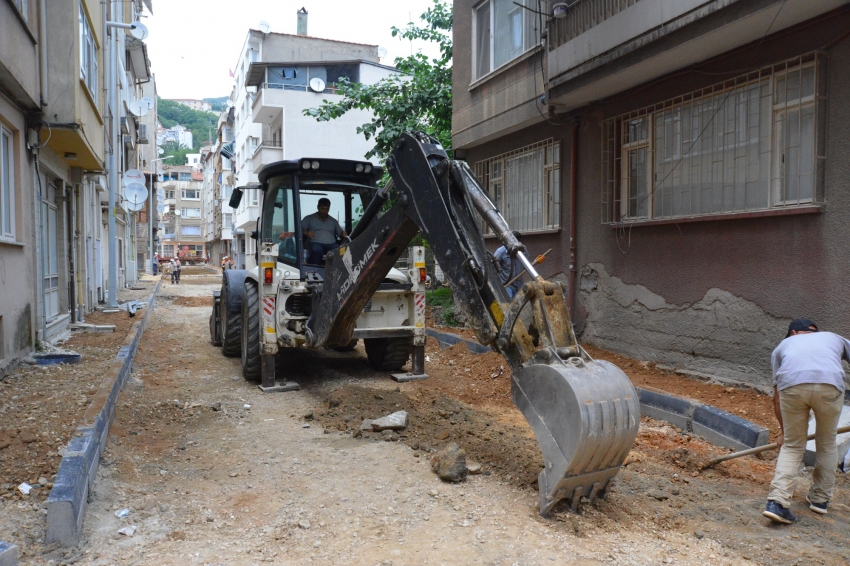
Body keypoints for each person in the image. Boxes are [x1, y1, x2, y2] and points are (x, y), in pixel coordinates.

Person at [762, 319, 850, 524]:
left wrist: (785, 433)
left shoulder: (782, 346)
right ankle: (820, 500)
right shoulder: (833, 338)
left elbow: (776, 398)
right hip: (830, 385)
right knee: (826, 444)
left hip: (792, 387)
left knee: (793, 446)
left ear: (793, 333)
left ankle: (777, 502)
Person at [302, 197, 346, 264]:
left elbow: (341, 235)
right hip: (316, 243)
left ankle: (337, 272)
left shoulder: (333, 221)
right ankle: (314, 270)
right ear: (318, 207)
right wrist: (306, 232)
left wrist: (344, 235)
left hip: (331, 244)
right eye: (322, 209)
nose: (324, 211)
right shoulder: (309, 218)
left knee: (341, 251)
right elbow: (298, 231)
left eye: (326, 209)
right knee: (316, 250)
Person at [493, 231, 525, 299]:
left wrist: (534, 262)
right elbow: (492, 267)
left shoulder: (523, 250)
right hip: (507, 286)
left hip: (518, 286)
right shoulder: (500, 252)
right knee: (508, 306)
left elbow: (525, 265)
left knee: (517, 307)